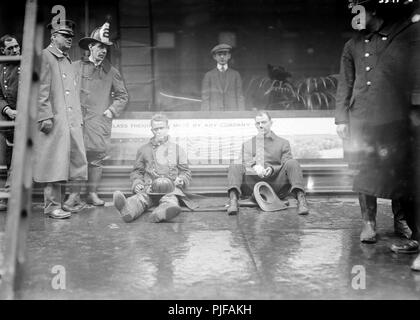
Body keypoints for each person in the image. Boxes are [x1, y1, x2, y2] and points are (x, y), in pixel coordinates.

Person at [335, 0, 420, 245]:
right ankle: (368, 224)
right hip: (360, 117)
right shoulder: (351, 45)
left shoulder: (397, 37)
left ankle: (401, 221)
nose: (355, 17)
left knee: (398, 167)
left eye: (359, 11)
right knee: (364, 168)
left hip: (392, 116)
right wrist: (341, 119)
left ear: (372, 11)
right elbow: (345, 82)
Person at [63, 22, 128, 211]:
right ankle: (73, 195)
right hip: (76, 121)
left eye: (106, 48)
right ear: (91, 47)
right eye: (100, 47)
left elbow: (123, 96)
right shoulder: (73, 67)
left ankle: (92, 193)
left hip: (98, 123)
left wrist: (111, 111)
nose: (103, 51)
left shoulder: (111, 72)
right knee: (75, 156)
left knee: (96, 158)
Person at [33, 20, 88, 219]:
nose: (69, 39)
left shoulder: (65, 60)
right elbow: (41, 91)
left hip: (71, 121)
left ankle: (70, 201)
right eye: (65, 35)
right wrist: (45, 116)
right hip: (54, 121)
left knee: (73, 162)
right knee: (54, 164)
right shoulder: (44, 57)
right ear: (53, 36)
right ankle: (51, 206)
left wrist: (78, 118)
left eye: (71, 36)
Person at [113, 113, 193, 223]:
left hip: (170, 188)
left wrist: (182, 179)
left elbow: (185, 171)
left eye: (161, 128)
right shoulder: (143, 150)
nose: (159, 131)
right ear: (152, 130)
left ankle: (162, 213)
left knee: (170, 201)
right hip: (149, 188)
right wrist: (137, 183)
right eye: (156, 129)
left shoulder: (177, 149)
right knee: (140, 199)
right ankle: (127, 210)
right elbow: (137, 171)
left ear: (168, 128)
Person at [226, 111, 309, 215]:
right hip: (253, 185)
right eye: (258, 123)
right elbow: (245, 160)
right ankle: (233, 201)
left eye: (264, 122)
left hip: (276, 184)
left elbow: (286, 162)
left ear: (271, 123)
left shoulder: (283, 143)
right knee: (235, 165)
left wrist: (272, 169)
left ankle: (301, 200)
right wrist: (254, 166)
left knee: (292, 163)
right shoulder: (247, 144)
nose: (260, 126)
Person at [0, 34, 20, 211]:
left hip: (27, 120)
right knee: (10, 161)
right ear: (2, 51)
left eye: (16, 46)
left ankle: (7, 196)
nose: (15, 50)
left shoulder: (26, 65)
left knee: (15, 162)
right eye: (10, 48)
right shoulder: (0, 69)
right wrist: (8, 110)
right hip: (9, 121)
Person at [201, 43, 245, 111]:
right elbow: (205, 98)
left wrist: (241, 115)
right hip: (214, 114)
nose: (222, 57)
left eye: (225, 54)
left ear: (229, 56)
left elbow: (240, 97)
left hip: (232, 114)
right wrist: (206, 117)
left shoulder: (236, 75)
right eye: (219, 54)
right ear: (214, 57)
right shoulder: (209, 75)